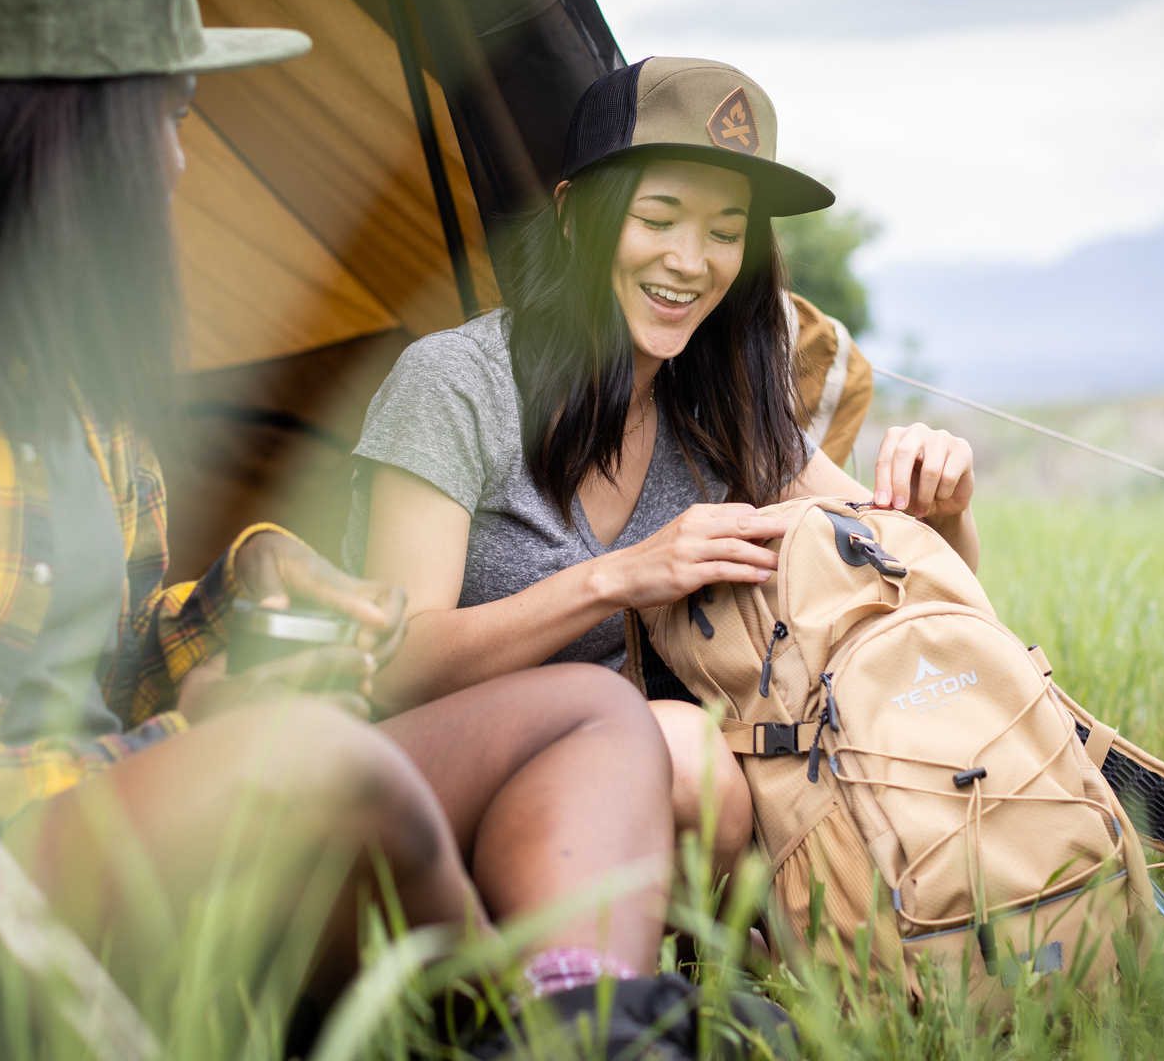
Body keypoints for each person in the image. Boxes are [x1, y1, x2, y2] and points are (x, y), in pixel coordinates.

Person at [0, 0, 764, 1056]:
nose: (180, 162)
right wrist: (185, 753)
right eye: (171, 114)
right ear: (65, 123)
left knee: (587, 714)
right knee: (306, 763)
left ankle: (590, 1013)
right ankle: (523, 1031)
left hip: (117, 833)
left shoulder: (79, 386)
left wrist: (246, 600)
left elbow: (116, 663)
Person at [348, 58, 978, 872]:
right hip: (420, 785)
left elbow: (930, 613)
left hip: (628, 807)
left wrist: (944, 506)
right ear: (577, 215)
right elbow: (396, 664)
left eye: (724, 232)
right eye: (659, 217)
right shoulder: (455, 385)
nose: (691, 261)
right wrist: (618, 577)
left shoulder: (722, 408)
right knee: (685, 749)